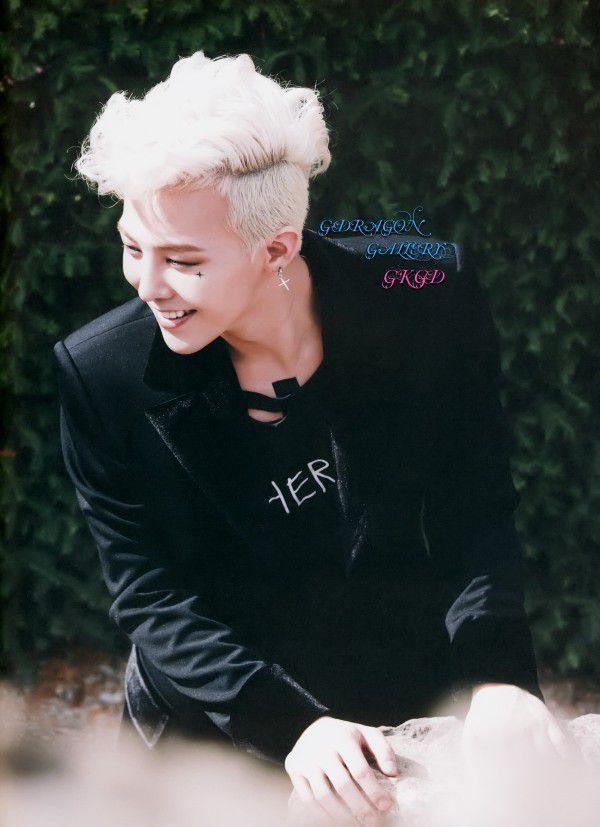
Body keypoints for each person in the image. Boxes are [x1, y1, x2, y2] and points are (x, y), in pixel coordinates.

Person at [54, 51, 570, 824]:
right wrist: (291, 724)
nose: (147, 285)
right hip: (210, 731)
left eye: (181, 260)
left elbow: (474, 504)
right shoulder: (101, 373)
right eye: (133, 247)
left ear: (276, 248)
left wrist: (499, 676)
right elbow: (152, 597)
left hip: (397, 702)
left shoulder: (429, 296)